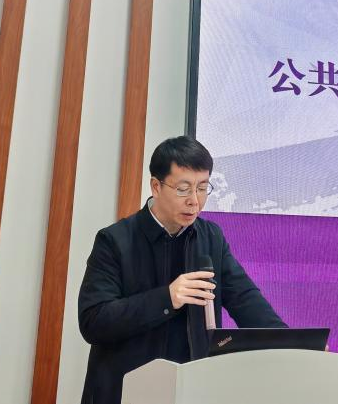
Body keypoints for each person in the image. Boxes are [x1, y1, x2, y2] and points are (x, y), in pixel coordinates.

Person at [78, 135, 286, 404]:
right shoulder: (114, 240)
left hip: (190, 391)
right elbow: (94, 322)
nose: (194, 201)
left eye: (202, 188)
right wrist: (168, 298)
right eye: (183, 189)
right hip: (124, 392)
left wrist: (295, 345)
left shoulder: (211, 237)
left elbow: (246, 300)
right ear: (156, 186)